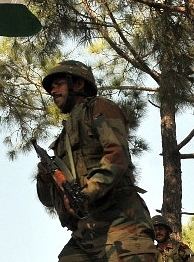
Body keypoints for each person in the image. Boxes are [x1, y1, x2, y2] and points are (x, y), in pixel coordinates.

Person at [35, 60, 158, 261]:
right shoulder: (61, 141)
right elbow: (48, 200)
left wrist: (88, 192)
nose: (52, 91)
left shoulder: (98, 108)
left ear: (78, 84)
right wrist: (44, 179)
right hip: (85, 233)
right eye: (51, 88)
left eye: (58, 84)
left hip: (121, 223)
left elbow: (117, 153)